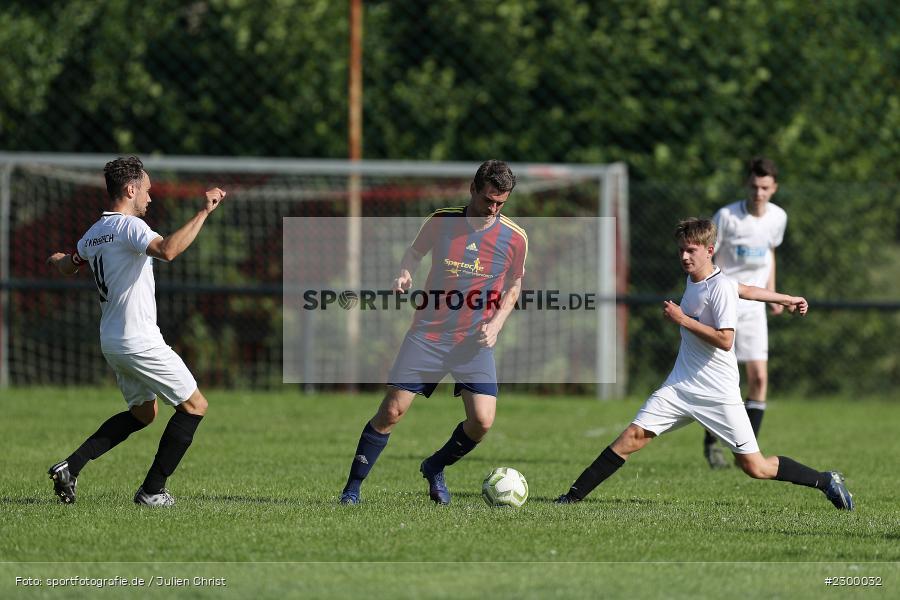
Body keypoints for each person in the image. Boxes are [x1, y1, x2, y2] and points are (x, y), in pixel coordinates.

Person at [555, 218, 853, 511]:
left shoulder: (718, 287)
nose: (684, 256)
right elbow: (745, 288)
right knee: (630, 437)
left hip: (718, 393)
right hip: (680, 386)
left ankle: (825, 480)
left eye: (691, 250)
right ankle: (571, 498)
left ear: (710, 250)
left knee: (755, 467)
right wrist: (787, 298)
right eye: (681, 250)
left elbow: (725, 340)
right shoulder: (699, 278)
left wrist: (682, 319)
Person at [339, 160, 527, 505]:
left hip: (473, 342)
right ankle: (352, 489)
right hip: (429, 334)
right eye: (489, 200)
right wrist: (404, 274)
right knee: (392, 412)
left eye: (502, 203)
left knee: (482, 422)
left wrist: (496, 325)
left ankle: (435, 466)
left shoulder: (514, 237)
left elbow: (515, 284)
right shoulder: (443, 221)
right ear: (473, 189)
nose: (494, 209)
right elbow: (413, 254)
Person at [46, 156, 225, 507]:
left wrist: (55, 259)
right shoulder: (130, 227)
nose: (150, 197)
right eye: (146, 190)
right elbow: (169, 250)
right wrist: (204, 211)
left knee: (144, 414)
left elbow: (69, 265)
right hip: (137, 339)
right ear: (130, 189)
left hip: (112, 341)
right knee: (194, 406)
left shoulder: (95, 232)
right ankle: (153, 491)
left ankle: (71, 466)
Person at [703, 157, 787, 468]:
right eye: (754, 186)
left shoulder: (777, 218)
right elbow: (707, 256)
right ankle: (712, 441)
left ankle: (746, 450)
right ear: (746, 185)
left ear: (774, 188)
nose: (759, 192)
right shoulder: (726, 217)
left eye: (765, 187)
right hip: (725, 306)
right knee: (724, 380)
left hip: (755, 308)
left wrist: (774, 294)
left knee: (759, 377)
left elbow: (770, 254)